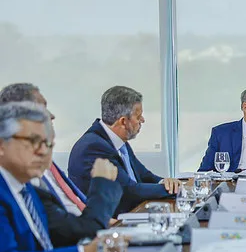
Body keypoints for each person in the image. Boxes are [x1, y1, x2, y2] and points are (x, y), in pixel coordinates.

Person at [0, 83, 122, 245]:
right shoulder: (21, 180)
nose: (51, 116)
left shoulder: (30, 181)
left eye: (47, 144)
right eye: (41, 110)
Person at [0, 102, 98, 252]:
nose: (43, 152)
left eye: (48, 144)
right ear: (2, 145)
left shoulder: (27, 189)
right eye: (34, 141)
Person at [68, 86, 181, 215]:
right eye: (138, 117)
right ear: (123, 122)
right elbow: (128, 190)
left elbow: (144, 175)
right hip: (112, 223)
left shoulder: (116, 140)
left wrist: (166, 182)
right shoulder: (93, 147)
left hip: (132, 212)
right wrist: (172, 190)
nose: (142, 120)